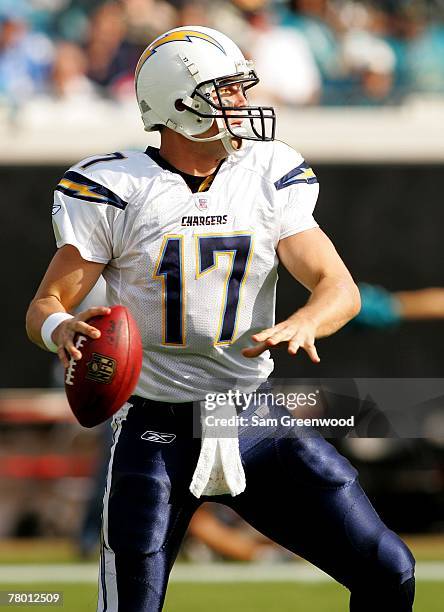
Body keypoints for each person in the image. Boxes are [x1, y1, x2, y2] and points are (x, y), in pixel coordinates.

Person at [26, 25, 415, 612]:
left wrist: (309, 319)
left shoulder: (268, 171)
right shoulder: (116, 185)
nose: (242, 105)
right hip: (154, 426)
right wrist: (62, 330)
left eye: (239, 90)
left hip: (253, 414)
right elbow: (45, 305)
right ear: (178, 104)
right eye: (225, 91)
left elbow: (338, 286)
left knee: (390, 570)